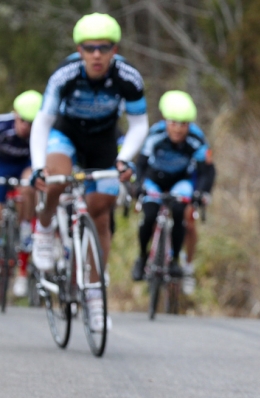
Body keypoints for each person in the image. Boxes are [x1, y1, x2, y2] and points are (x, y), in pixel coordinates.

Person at [29, 12, 149, 331]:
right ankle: (43, 229)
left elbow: (139, 125)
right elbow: (41, 122)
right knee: (55, 177)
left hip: (103, 141)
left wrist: (124, 159)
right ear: (80, 50)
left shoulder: (129, 77)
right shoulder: (64, 74)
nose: (97, 54)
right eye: (90, 47)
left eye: (104, 47)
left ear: (115, 50)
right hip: (66, 134)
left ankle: (94, 294)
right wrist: (39, 166)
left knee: (101, 213)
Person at [131, 90, 214, 294]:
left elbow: (207, 170)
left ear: (189, 124)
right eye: (173, 123)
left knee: (179, 212)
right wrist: (138, 184)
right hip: (154, 178)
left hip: (180, 180)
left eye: (183, 124)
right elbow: (140, 164)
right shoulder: (155, 133)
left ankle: (175, 259)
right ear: (165, 121)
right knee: (149, 215)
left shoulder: (197, 138)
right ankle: (142, 257)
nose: (178, 129)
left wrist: (202, 192)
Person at [0, 90, 42, 297]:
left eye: (32, 122)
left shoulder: (41, 132)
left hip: (24, 167)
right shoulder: (3, 125)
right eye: (23, 121)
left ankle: (26, 226)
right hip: (2, 167)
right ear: (15, 114)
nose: (27, 127)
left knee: (29, 183)